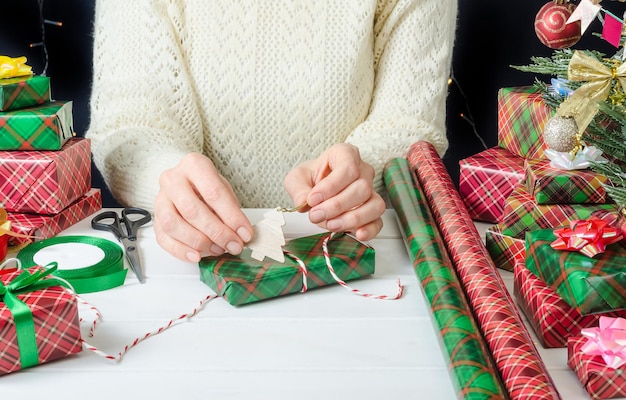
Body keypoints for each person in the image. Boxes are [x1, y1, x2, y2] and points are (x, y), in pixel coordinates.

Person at [86, 0, 458, 263]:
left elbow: (410, 121)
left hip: (356, 255)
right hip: (186, 262)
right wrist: (165, 177)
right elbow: (128, 122)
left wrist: (366, 169)